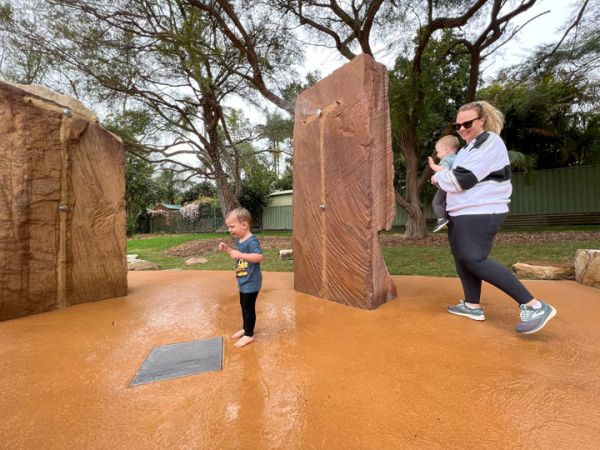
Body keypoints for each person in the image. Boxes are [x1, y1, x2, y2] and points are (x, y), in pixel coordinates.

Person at [431, 101, 557, 334]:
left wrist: (439, 179)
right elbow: (455, 177)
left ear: (483, 121)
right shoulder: (468, 148)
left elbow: (462, 180)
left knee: (474, 259)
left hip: (481, 209)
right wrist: (447, 178)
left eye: (467, 123)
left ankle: (534, 305)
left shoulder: (489, 142)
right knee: (462, 259)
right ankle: (471, 305)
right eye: (457, 125)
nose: (462, 129)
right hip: (462, 211)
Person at [218, 207, 264, 347]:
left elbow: (259, 257)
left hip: (252, 282)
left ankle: (249, 335)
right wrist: (228, 249)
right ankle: (246, 328)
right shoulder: (240, 241)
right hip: (243, 281)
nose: (229, 230)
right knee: (243, 306)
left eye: (232, 226)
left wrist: (241, 255)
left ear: (244, 225)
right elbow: (237, 255)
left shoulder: (251, 241)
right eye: (228, 227)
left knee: (249, 308)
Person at [428, 135, 459, 232]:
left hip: (447, 186)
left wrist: (433, 166)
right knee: (446, 204)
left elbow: (444, 170)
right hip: (456, 186)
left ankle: (441, 219)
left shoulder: (446, 159)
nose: (437, 154)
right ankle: (448, 219)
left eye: (438, 151)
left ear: (446, 150)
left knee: (436, 203)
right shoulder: (459, 158)